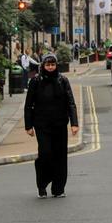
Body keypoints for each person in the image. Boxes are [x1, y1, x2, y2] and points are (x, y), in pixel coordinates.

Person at [24, 54, 79, 198]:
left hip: (60, 123)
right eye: (47, 65)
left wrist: (74, 123)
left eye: (53, 65)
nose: (50, 67)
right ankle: (42, 184)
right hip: (42, 124)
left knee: (60, 156)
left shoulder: (63, 80)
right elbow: (28, 104)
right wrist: (28, 125)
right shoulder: (35, 81)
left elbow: (71, 103)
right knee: (45, 153)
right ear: (43, 66)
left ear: (56, 65)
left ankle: (58, 188)